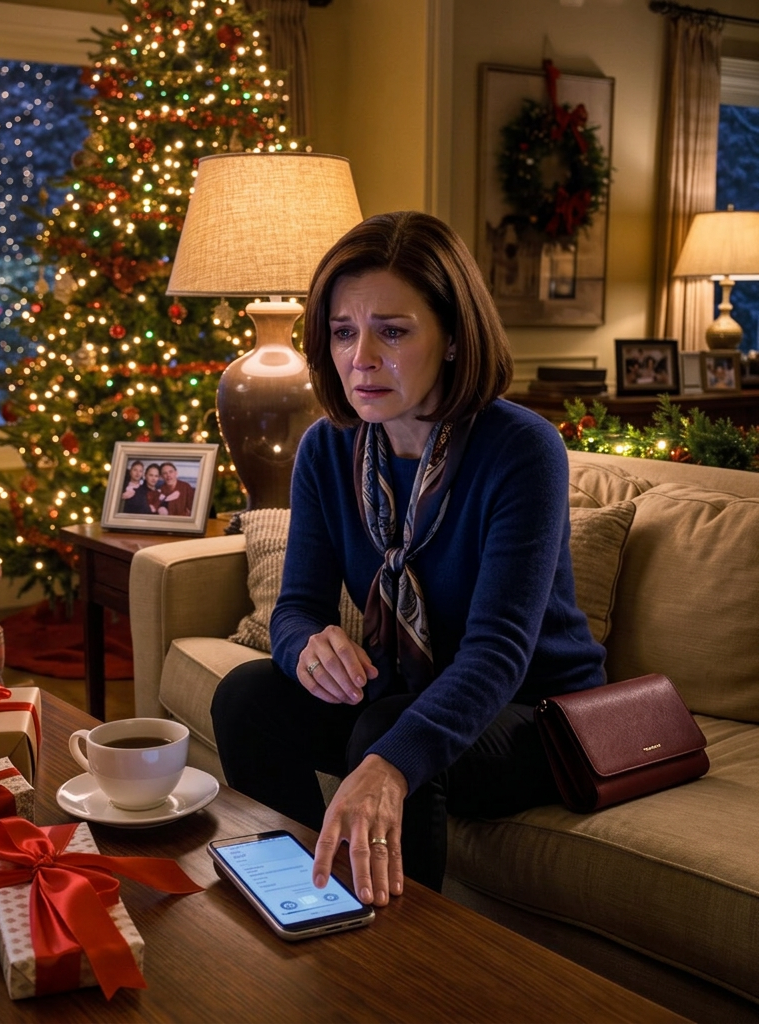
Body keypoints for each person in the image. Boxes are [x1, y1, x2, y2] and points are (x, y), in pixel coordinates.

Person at [210, 211, 606, 909]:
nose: (360, 356)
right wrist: (306, 647)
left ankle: (401, 963)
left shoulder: (521, 450)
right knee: (246, 698)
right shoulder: (328, 449)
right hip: (401, 687)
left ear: (452, 337)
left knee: (384, 728)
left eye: (392, 331)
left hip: (537, 714)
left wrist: (389, 765)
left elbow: (497, 654)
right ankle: (300, 898)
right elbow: (297, 605)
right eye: (342, 331)